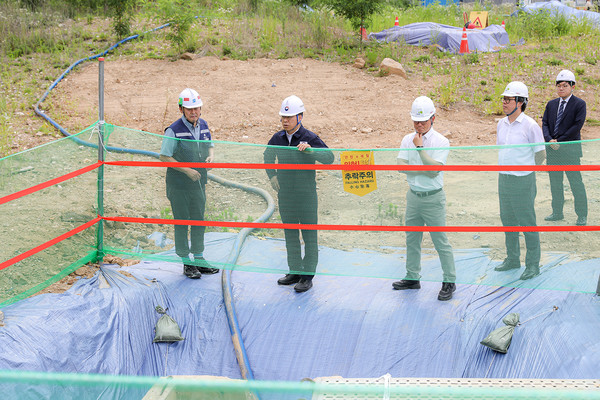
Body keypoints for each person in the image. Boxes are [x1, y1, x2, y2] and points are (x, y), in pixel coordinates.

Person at [263, 95, 334, 293]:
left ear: (300, 117)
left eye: (289, 117)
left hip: (306, 196)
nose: (285, 121)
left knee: (309, 235)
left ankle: (307, 276)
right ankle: (294, 270)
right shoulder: (277, 138)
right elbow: (267, 156)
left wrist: (312, 152)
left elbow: (329, 157)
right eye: (283, 117)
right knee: (290, 234)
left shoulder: (309, 138)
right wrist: (272, 176)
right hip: (286, 195)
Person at [393, 96, 456, 301]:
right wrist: (422, 166)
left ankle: (449, 280)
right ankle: (412, 276)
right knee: (412, 239)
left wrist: (420, 150)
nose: (419, 125)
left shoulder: (441, 141)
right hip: (413, 196)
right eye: (415, 121)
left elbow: (433, 172)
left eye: (423, 121)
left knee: (440, 241)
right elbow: (401, 166)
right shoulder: (406, 139)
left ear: (433, 119)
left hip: (433, 198)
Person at [160, 88, 219, 279]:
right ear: (181, 109)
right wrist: (186, 170)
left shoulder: (203, 125)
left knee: (198, 219)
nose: (194, 112)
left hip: (198, 182)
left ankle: (199, 259)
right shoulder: (173, 130)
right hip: (179, 184)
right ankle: (186, 262)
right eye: (189, 109)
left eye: (196, 108)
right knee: (182, 221)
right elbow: (164, 156)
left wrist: (210, 157)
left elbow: (209, 145)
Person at [494, 82, 546, 281]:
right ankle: (513, 259)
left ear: (521, 102)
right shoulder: (501, 124)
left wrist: (526, 169)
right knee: (508, 220)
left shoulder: (530, 125)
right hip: (504, 178)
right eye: (504, 99)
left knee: (527, 222)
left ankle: (533, 265)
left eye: (508, 99)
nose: (504, 103)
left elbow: (540, 154)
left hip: (523, 180)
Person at [542, 70, 587, 226]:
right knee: (555, 183)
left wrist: (559, 141)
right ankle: (557, 212)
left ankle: (582, 215)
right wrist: (549, 140)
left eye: (565, 86)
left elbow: (577, 126)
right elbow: (545, 123)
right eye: (559, 86)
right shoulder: (551, 104)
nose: (561, 89)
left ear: (572, 87)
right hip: (553, 151)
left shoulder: (579, 104)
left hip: (569, 150)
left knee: (576, 183)